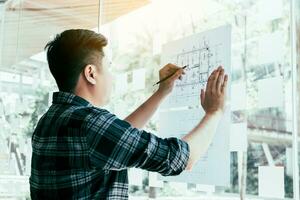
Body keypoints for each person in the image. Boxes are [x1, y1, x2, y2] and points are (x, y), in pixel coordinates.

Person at [29, 29, 228, 200]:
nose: (111, 76)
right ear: (91, 73)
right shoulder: (89, 123)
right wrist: (214, 112)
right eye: (108, 67)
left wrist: (162, 92)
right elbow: (179, 158)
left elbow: (116, 139)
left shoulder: (50, 120)